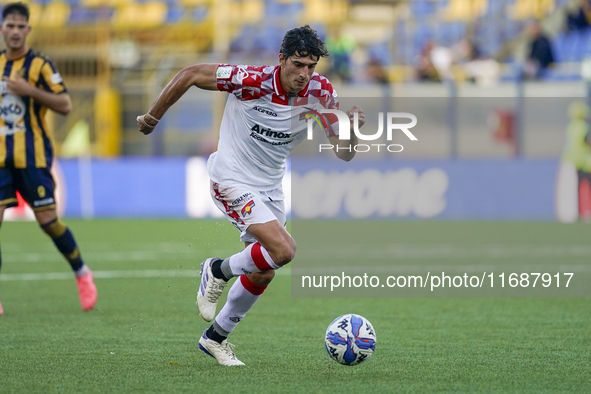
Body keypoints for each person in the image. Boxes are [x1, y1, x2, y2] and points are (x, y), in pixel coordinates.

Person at [137, 25, 364, 366]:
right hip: (230, 178)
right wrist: (153, 117)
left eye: (311, 67)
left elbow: (344, 153)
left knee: (264, 270)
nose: (304, 74)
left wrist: (352, 132)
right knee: (283, 249)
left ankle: (215, 338)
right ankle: (217, 270)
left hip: (270, 187)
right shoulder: (251, 80)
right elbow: (190, 74)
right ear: (281, 59)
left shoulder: (321, 92)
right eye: (298, 65)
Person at [0, 2, 97, 316]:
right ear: (3, 29)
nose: (14, 31)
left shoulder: (40, 65)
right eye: (9, 25)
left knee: (49, 222)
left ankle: (81, 272)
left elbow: (65, 104)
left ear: (28, 30)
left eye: (20, 26)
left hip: (33, 158)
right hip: (1, 160)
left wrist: (28, 90)